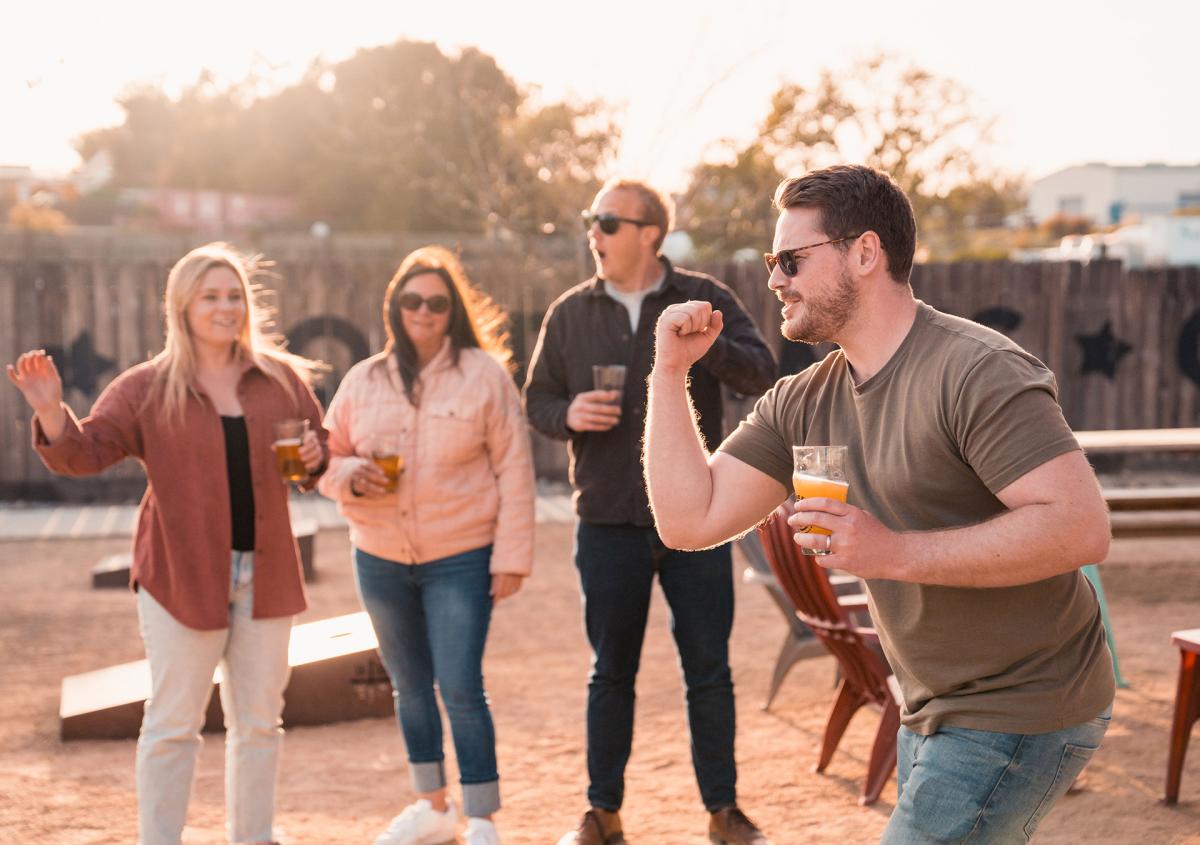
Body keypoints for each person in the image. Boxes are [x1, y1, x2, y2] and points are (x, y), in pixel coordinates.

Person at [644, 164, 1115, 844]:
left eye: (790, 259)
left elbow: (1079, 527)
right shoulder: (802, 400)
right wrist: (668, 374)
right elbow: (691, 521)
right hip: (927, 702)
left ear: (865, 253)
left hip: (1024, 702)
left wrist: (890, 552)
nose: (774, 278)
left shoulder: (976, 369)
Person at [6, 243, 328, 845]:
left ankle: (253, 837)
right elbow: (86, 453)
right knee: (174, 723)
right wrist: (52, 413)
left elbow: (317, 449)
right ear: (182, 305)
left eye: (234, 295)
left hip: (269, 574)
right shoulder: (146, 387)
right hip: (180, 575)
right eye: (210, 296)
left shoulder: (280, 379)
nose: (225, 307)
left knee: (260, 722)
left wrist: (317, 456)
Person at [524, 178, 777, 845]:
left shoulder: (706, 299)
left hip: (697, 518)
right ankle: (602, 812)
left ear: (649, 234)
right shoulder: (570, 313)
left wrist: (703, 345)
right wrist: (568, 412)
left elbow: (760, 370)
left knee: (709, 669)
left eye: (607, 221)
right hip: (606, 519)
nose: (594, 233)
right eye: (592, 220)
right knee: (611, 670)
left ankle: (724, 811)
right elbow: (537, 399)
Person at [318, 246, 534, 845]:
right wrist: (348, 474)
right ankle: (433, 807)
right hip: (379, 557)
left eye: (437, 302)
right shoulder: (363, 380)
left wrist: (511, 558)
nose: (424, 311)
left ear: (451, 311)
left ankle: (482, 818)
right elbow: (325, 456)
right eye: (412, 300)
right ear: (395, 307)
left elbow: (514, 470)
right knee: (408, 687)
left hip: (460, 558)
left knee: (461, 686)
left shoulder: (485, 376)